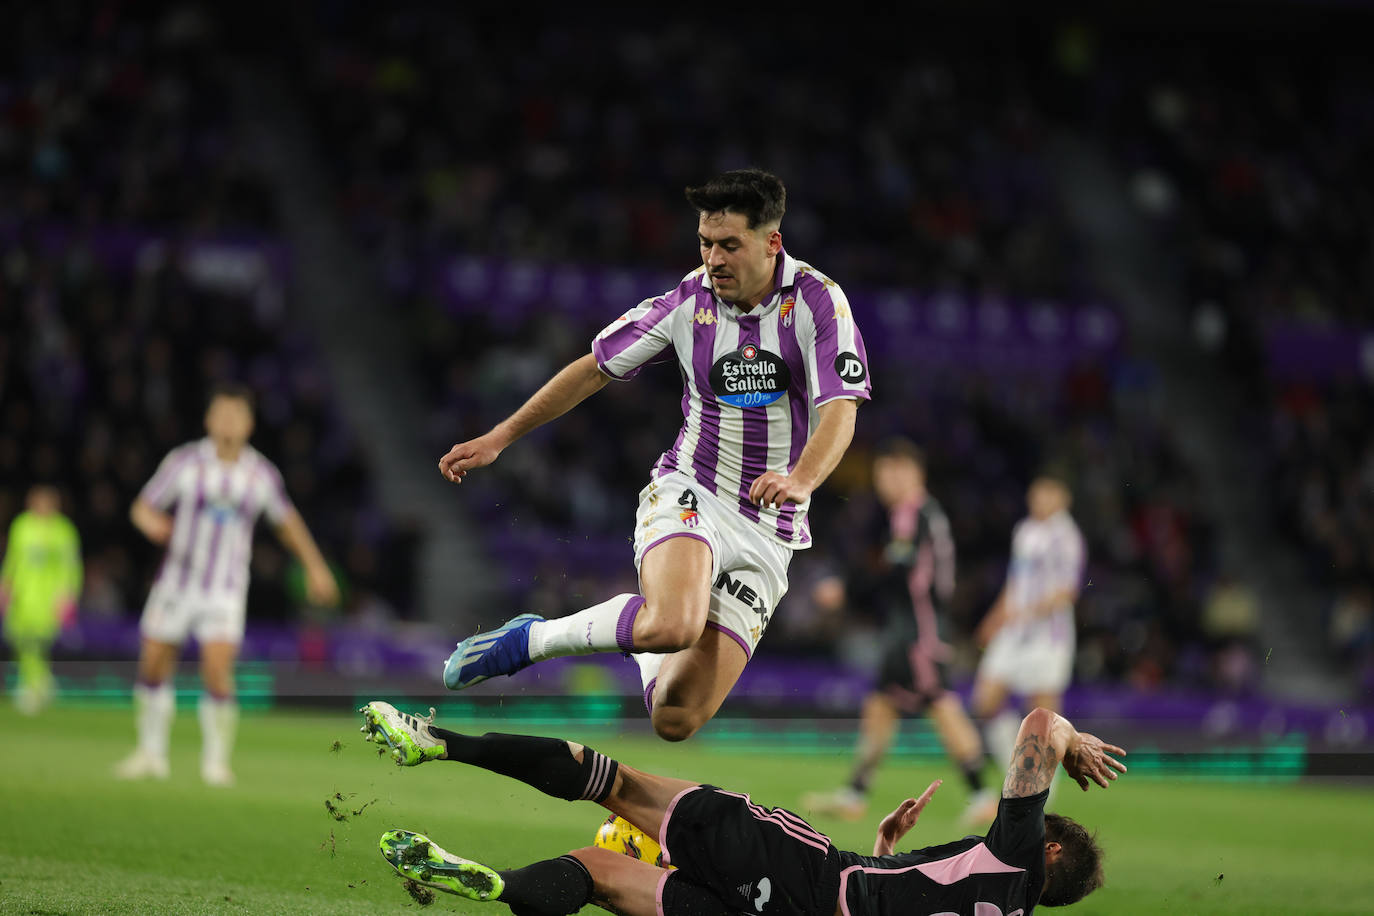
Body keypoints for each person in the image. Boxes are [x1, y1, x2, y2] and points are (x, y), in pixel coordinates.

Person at [438, 169, 871, 741]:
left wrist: (802, 479)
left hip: (772, 526)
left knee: (674, 717)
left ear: (772, 243)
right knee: (673, 624)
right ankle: (530, 640)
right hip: (695, 491)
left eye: (729, 245)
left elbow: (842, 408)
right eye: (705, 243)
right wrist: (500, 437)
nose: (713, 259)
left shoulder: (819, 302)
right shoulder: (689, 302)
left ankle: (636, 628)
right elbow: (593, 369)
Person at [358, 699, 1122, 914]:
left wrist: (1072, 738)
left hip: (808, 872)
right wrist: (891, 855)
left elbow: (1037, 728)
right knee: (595, 872)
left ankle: (439, 742)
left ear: (1047, 852)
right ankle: (497, 886)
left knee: (612, 784)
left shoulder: (1017, 853)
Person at [114, 384, 339, 785]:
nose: (229, 422)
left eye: (236, 415)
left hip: (225, 589)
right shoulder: (184, 463)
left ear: (249, 424)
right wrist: (151, 523)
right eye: (222, 414)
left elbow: (286, 524)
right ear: (209, 420)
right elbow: (142, 506)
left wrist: (315, 567)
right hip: (176, 584)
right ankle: (150, 754)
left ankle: (215, 762)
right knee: (153, 666)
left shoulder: (260, 474)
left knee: (217, 671)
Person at [802, 438, 990, 823]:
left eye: (890, 471)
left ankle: (983, 792)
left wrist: (846, 590)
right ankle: (854, 793)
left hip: (918, 626)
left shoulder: (912, 512)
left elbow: (897, 568)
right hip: (910, 624)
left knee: (940, 701)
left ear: (911, 473)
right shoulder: (925, 514)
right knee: (881, 705)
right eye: (880, 473)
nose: (883, 480)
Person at [970, 474, 1086, 796]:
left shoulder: (1067, 536)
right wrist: (995, 617)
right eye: (1036, 491)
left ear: (1063, 497)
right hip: (1014, 632)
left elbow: (1067, 590)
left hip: (1049, 637)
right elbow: (1015, 582)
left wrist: (1031, 611)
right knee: (985, 701)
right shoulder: (1025, 530)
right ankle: (1021, 767)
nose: (1039, 498)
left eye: (1048, 492)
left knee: (1044, 717)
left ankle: (1045, 790)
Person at [1, 485, 82, 715]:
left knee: (37, 643)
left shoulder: (63, 530)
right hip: (22, 595)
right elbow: (12, 560)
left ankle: (35, 686)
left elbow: (71, 566)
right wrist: (5, 585)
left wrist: (68, 595)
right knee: (20, 640)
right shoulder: (21, 525)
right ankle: (37, 683)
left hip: (48, 598)